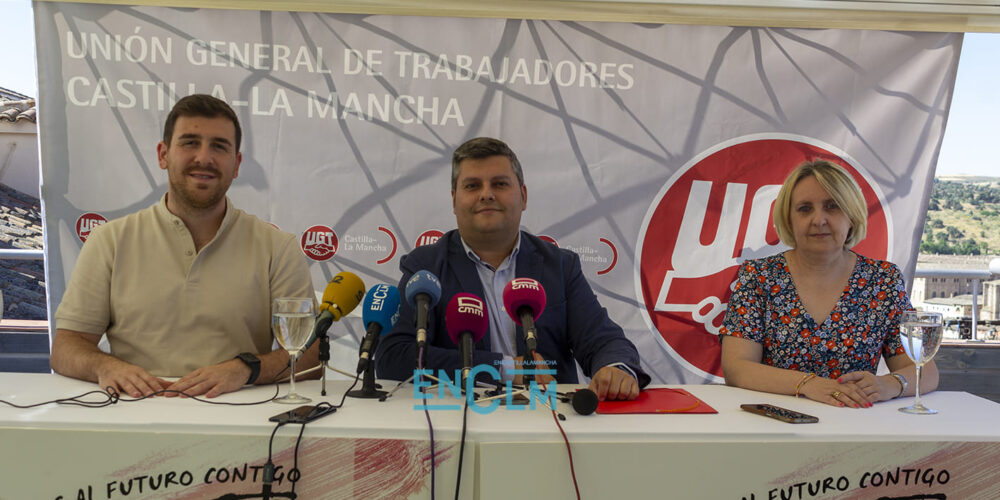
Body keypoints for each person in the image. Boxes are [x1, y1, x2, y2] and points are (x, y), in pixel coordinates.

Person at [50, 94, 317, 399]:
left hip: (240, 424)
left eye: (219, 146)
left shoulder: (278, 248)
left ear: (237, 164)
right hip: (132, 419)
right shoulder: (109, 240)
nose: (204, 158)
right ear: (163, 155)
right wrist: (104, 367)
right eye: (189, 143)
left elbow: (309, 356)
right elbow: (65, 348)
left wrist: (246, 369)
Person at [376, 137, 649, 400]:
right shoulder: (426, 268)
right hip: (461, 419)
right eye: (472, 186)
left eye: (500, 183)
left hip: (549, 421)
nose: (487, 194)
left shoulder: (560, 266)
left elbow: (603, 340)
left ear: (523, 196)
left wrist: (615, 368)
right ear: (454, 200)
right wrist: (504, 368)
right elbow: (394, 357)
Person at [720, 159, 937, 407]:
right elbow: (737, 368)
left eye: (832, 207)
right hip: (776, 424)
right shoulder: (758, 276)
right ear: (788, 219)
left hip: (855, 424)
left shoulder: (883, 280)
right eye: (804, 208)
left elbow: (925, 371)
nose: (818, 219)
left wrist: (888, 385)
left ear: (852, 216)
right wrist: (808, 384)